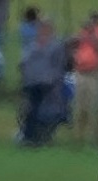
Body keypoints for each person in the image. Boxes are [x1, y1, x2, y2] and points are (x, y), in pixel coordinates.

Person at [19, 18, 65, 147]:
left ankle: (42, 136)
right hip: (32, 83)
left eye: (45, 28)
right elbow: (25, 63)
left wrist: (51, 79)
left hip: (48, 84)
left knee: (46, 111)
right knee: (30, 110)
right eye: (41, 28)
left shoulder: (56, 46)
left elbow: (58, 66)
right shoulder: (32, 46)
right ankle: (30, 137)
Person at [73, 10, 98, 146]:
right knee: (81, 107)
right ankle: (79, 137)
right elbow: (76, 47)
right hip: (82, 72)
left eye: (95, 20)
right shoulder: (82, 33)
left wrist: (93, 34)